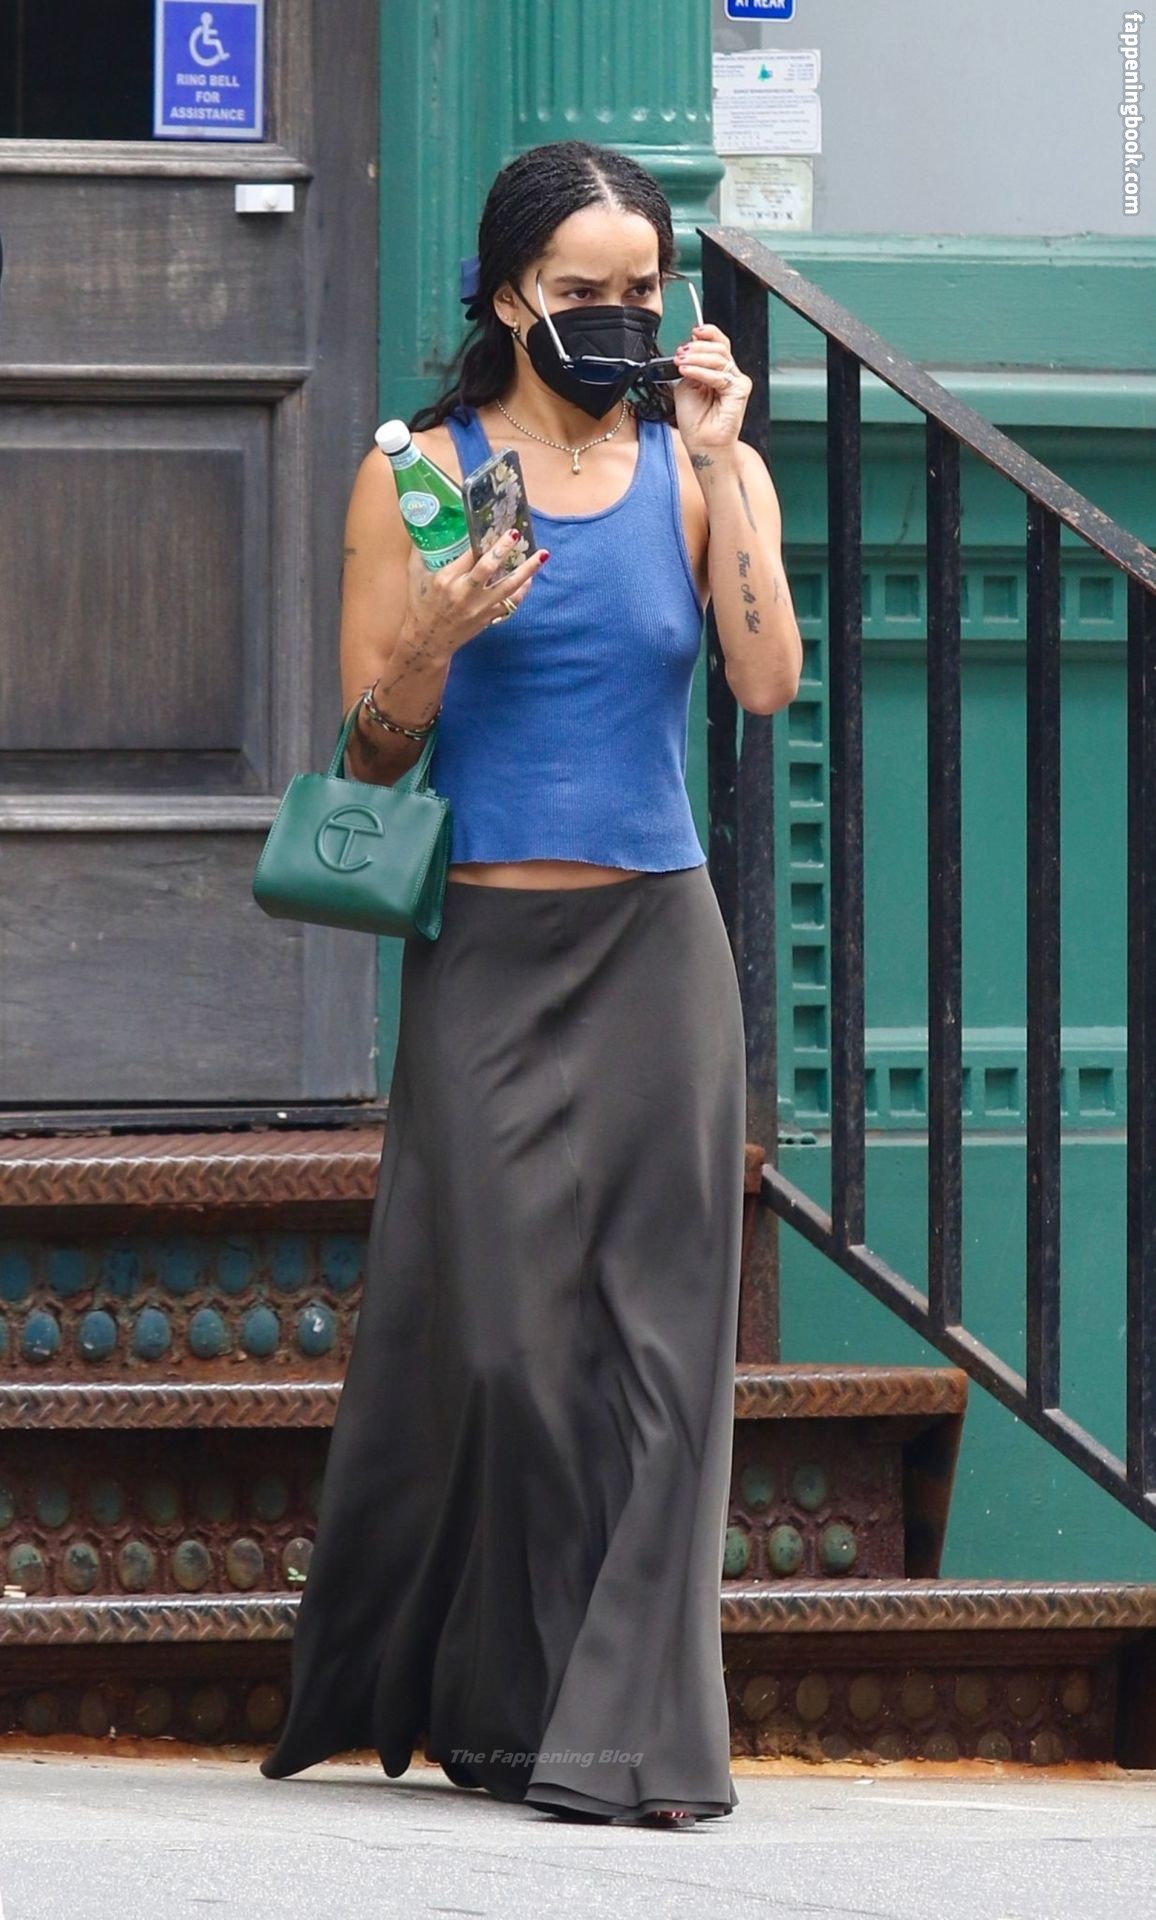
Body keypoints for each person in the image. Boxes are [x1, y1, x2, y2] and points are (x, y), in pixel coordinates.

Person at [259, 139, 802, 1828]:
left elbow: (766, 680)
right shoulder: (419, 477)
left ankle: (629, 1740)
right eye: (585, 291)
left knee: (663, 1359)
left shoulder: (694, 468)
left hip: (660, 952)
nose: (623, 316)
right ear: (510, 297)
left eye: (645, 288)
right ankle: (508, 1701)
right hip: (487, 955)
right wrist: (433, 638)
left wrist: (731, 469)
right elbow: (368, 747)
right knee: (503, 1353)